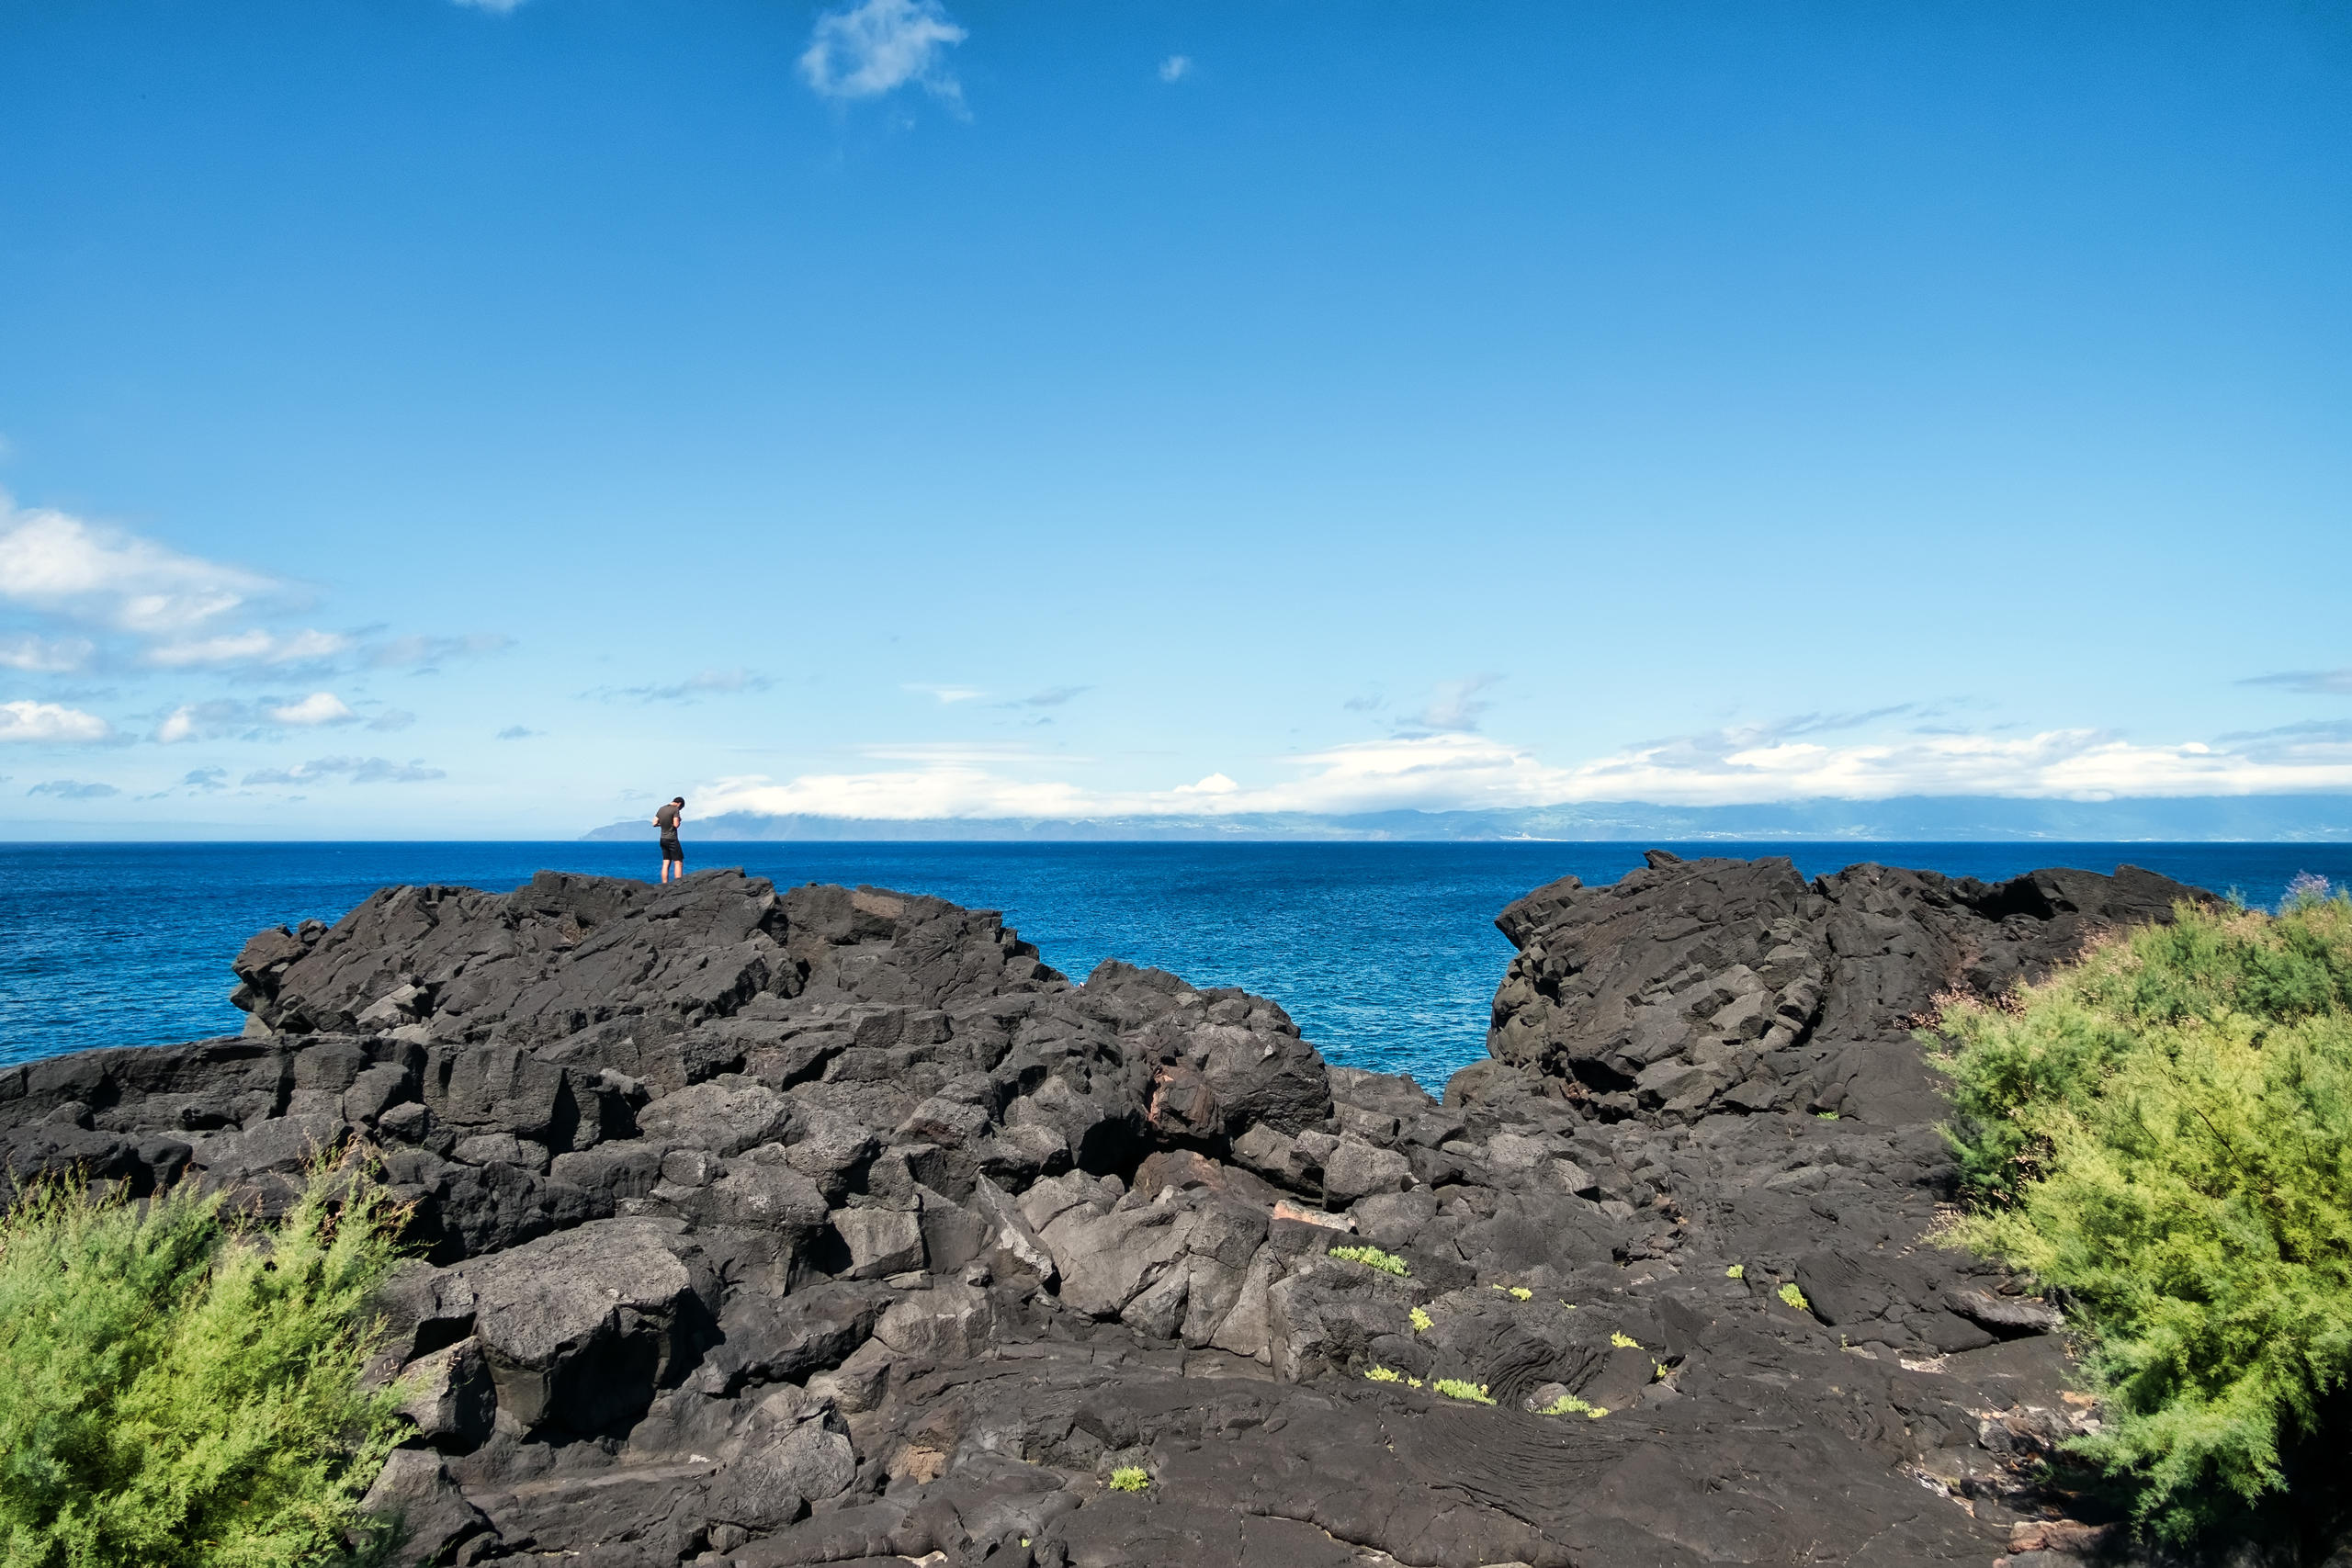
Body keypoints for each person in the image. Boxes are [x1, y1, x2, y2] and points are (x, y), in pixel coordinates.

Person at [653, 796, 685, 883]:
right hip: (672, 839)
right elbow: (676, 825)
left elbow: (654, 823)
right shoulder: (675, 809)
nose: (680, 809)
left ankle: (664, 884)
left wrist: (663, 823)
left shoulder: (661, 809)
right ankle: (678, 883)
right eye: (681, 808)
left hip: (663, 839)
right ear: (679, 804)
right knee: (678, 862)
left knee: (666, 862)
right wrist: (679, 820)